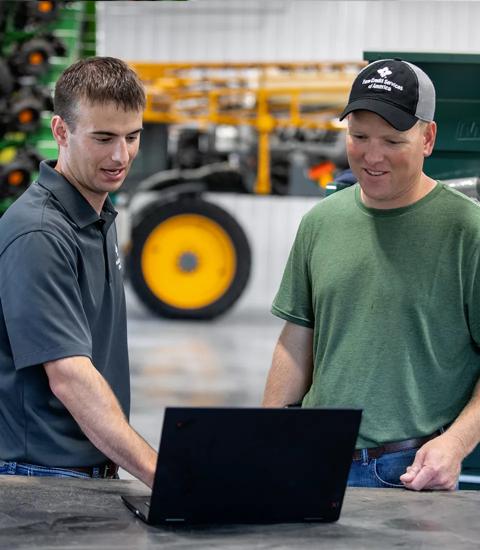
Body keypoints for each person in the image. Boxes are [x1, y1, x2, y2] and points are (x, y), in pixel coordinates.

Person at [262, 58, 480, 491]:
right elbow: (296, 341)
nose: (372, 156)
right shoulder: (321, 223)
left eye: (393, 141)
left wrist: (455, 444)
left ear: (428, 138)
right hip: (314, 459)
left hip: (410, 473)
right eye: (359, 137)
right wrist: (265, 437)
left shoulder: (467, 232)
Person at [0, 57, 157, 486]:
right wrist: (162, 474)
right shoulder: (40, 233)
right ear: (60, 132)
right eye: (103, 138)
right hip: (38, 477)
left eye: (132, 137)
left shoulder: (97, 215)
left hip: (84, 466)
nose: (120, 156)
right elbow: (70, 377)